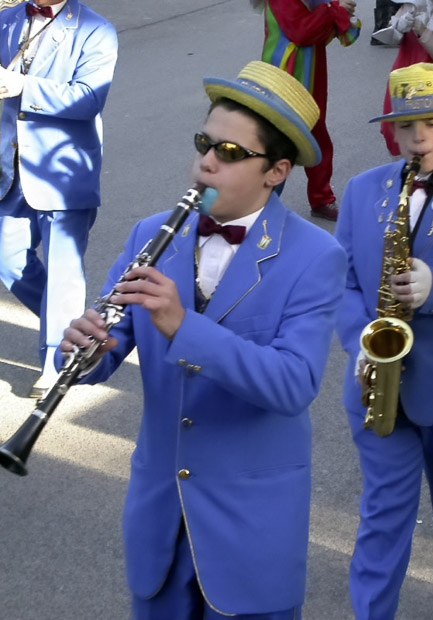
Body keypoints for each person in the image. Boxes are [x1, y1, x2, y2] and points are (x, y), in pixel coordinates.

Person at [58, 60, 347, 620]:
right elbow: (109, 346)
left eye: (230, 152)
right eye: (204, 143)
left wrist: (183, 326)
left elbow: (294, 384)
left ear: (277, 171)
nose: (206, 162)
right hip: (160, 518)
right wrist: (84, 349)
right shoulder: (151, 233)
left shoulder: (316, 256)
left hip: (251, 529)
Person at [335, 62, 433, 620]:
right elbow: (343, 281)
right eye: (406, 126)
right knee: (383, 516)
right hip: (377, 384)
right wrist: (359, 340)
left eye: (431, 123)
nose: (418, 138)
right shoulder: (363, 190)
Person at [0, 0, 118, 398]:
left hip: (63, 170)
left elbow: (88, 99)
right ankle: (77, 329)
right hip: (9, 166)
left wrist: (22, 86)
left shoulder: (97, 29)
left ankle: (57, 360)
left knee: (63, 268)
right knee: (6, 257)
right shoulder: (7, 20)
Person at [259, 0, 361, 221]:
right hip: (284, 79)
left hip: (310, 77)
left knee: (318, 139)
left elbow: (319, 33)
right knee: (281, 143)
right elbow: (302, 32)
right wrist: (333, 10)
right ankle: (261, 205)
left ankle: (321, 198)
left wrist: (339, 11)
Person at [379, 0, 433, 154]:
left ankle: (423, 165)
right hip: (401, 74)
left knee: (425, 131)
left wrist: (423, 31)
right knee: (391, 128)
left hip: (432, 82)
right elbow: (390, 39)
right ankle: (403, 165)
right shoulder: (412, 4)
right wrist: (398, 27)